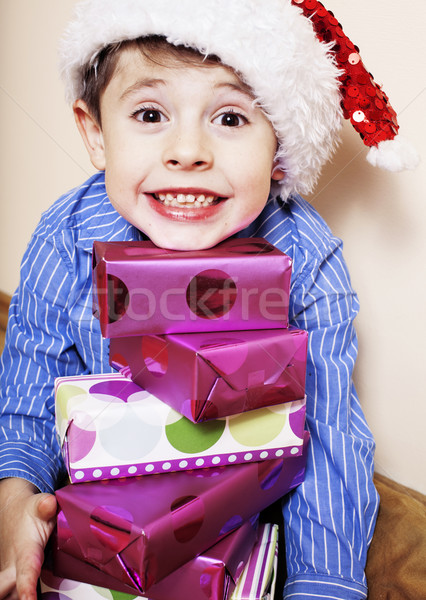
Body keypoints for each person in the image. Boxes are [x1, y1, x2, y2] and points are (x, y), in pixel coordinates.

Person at [0, 1, 419, 599]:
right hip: (100, 533)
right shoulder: (67, 233)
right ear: (96, 134)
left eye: (229, 118)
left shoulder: (304, 254)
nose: (188, 150)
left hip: (235, 546)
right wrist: (15, 492)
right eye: (150, 113)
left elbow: (328, 437)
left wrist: (322, 585)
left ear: (279, 148)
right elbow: (31, 379)